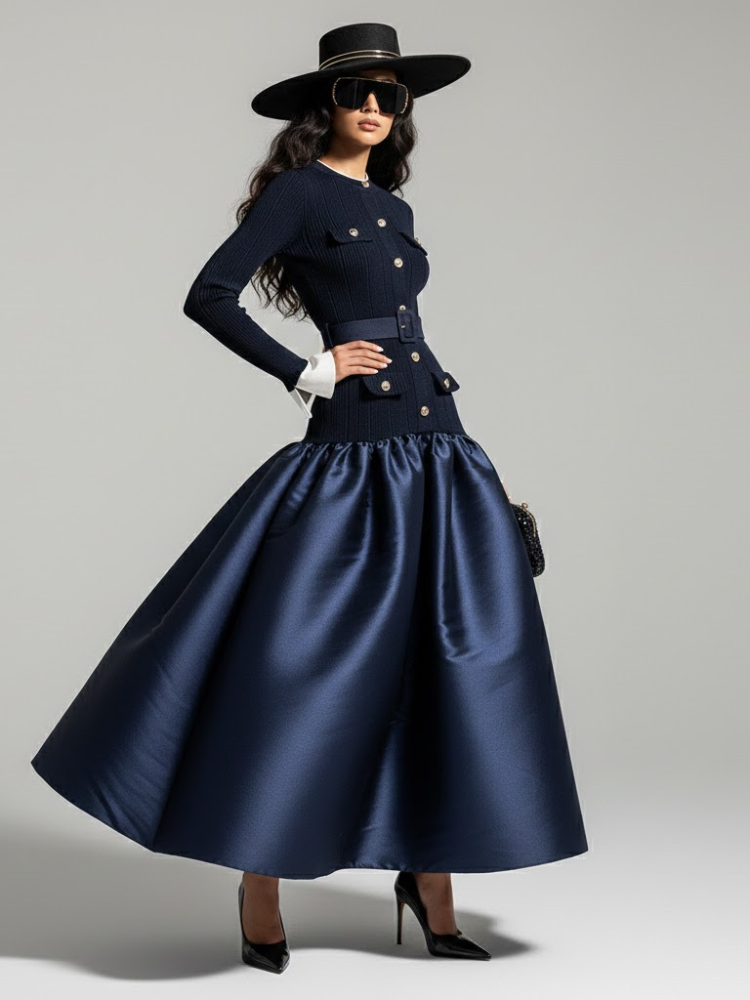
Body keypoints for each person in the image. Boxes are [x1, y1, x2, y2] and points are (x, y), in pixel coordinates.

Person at [30, 22, 588, 975]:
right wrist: (306, 369)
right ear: (322, 105)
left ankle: (430, 879)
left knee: (448, 664)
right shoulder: (297, 194)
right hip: (355, 453)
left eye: (388, 94)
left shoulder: (394, 205)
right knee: (302, 669)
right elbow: (209, 294)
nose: (372, 106)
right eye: (354, 92)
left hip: (440, 446)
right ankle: (261, 883)